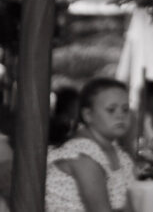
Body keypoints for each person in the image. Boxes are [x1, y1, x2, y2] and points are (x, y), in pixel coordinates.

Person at [45, 77, 135, 212]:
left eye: (125, 109)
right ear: (88, 115)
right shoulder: (82, 153)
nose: (120, 116)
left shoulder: (117, 153)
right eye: (111, 110)